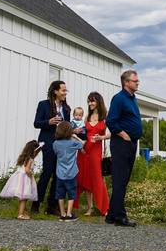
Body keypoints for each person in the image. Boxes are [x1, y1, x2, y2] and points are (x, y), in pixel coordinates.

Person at [105, 70, 143, 227]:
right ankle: (120, 217)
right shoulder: (119, 98)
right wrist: (122, 134)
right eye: (135, 80)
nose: (138, 82)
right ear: (126, 82)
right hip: (121, 143)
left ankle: (111, 215)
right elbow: (111, 121)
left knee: (124, 180)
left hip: (131, 143)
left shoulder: (133, 99)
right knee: (120, 179)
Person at [33, 80, 70, 215]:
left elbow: (66, 127)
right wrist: (49, 122)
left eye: (66, 91)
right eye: (63, 90)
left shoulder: (66, 109)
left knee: (58, 175)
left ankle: (52, 206)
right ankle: (36, 204)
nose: (65, 93)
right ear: (55, 91)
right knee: (47, 173)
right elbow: (36, 123)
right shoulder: (43, 105)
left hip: (62, 145)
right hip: (47, 143)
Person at [75, 91, 111, 217]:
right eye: (89, 101)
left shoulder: (105, 117)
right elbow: (81, 134)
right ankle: (90, 208)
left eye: (92, 101)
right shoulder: (86, 118)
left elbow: (113, 133)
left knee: (97, 178)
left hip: (96, 151)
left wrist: (101, 137)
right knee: (85, 179)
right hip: (84, 151)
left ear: (98, 102)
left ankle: (104, 208)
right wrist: (80, 145)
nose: (90, 103)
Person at [0, 139, 42, 220]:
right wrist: (31, 175)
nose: (37, 154)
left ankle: (21, 212)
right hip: (25, 179)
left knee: (22, 197)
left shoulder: (24, 157)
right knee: (24, 198)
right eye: (37, 152)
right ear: (34, 151)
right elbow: (27, 170)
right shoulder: (30, 159)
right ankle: (20, 214)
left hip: (19, 177)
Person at [52, 121, 84, 221]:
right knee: (71, 194)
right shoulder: (72, 142)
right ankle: (69, 214)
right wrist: (75, 137)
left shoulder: (56, 143)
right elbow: (82, 144)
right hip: (71, 173)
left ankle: (62, 213)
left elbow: (55, 152)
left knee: (60, 194)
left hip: (60, 173)